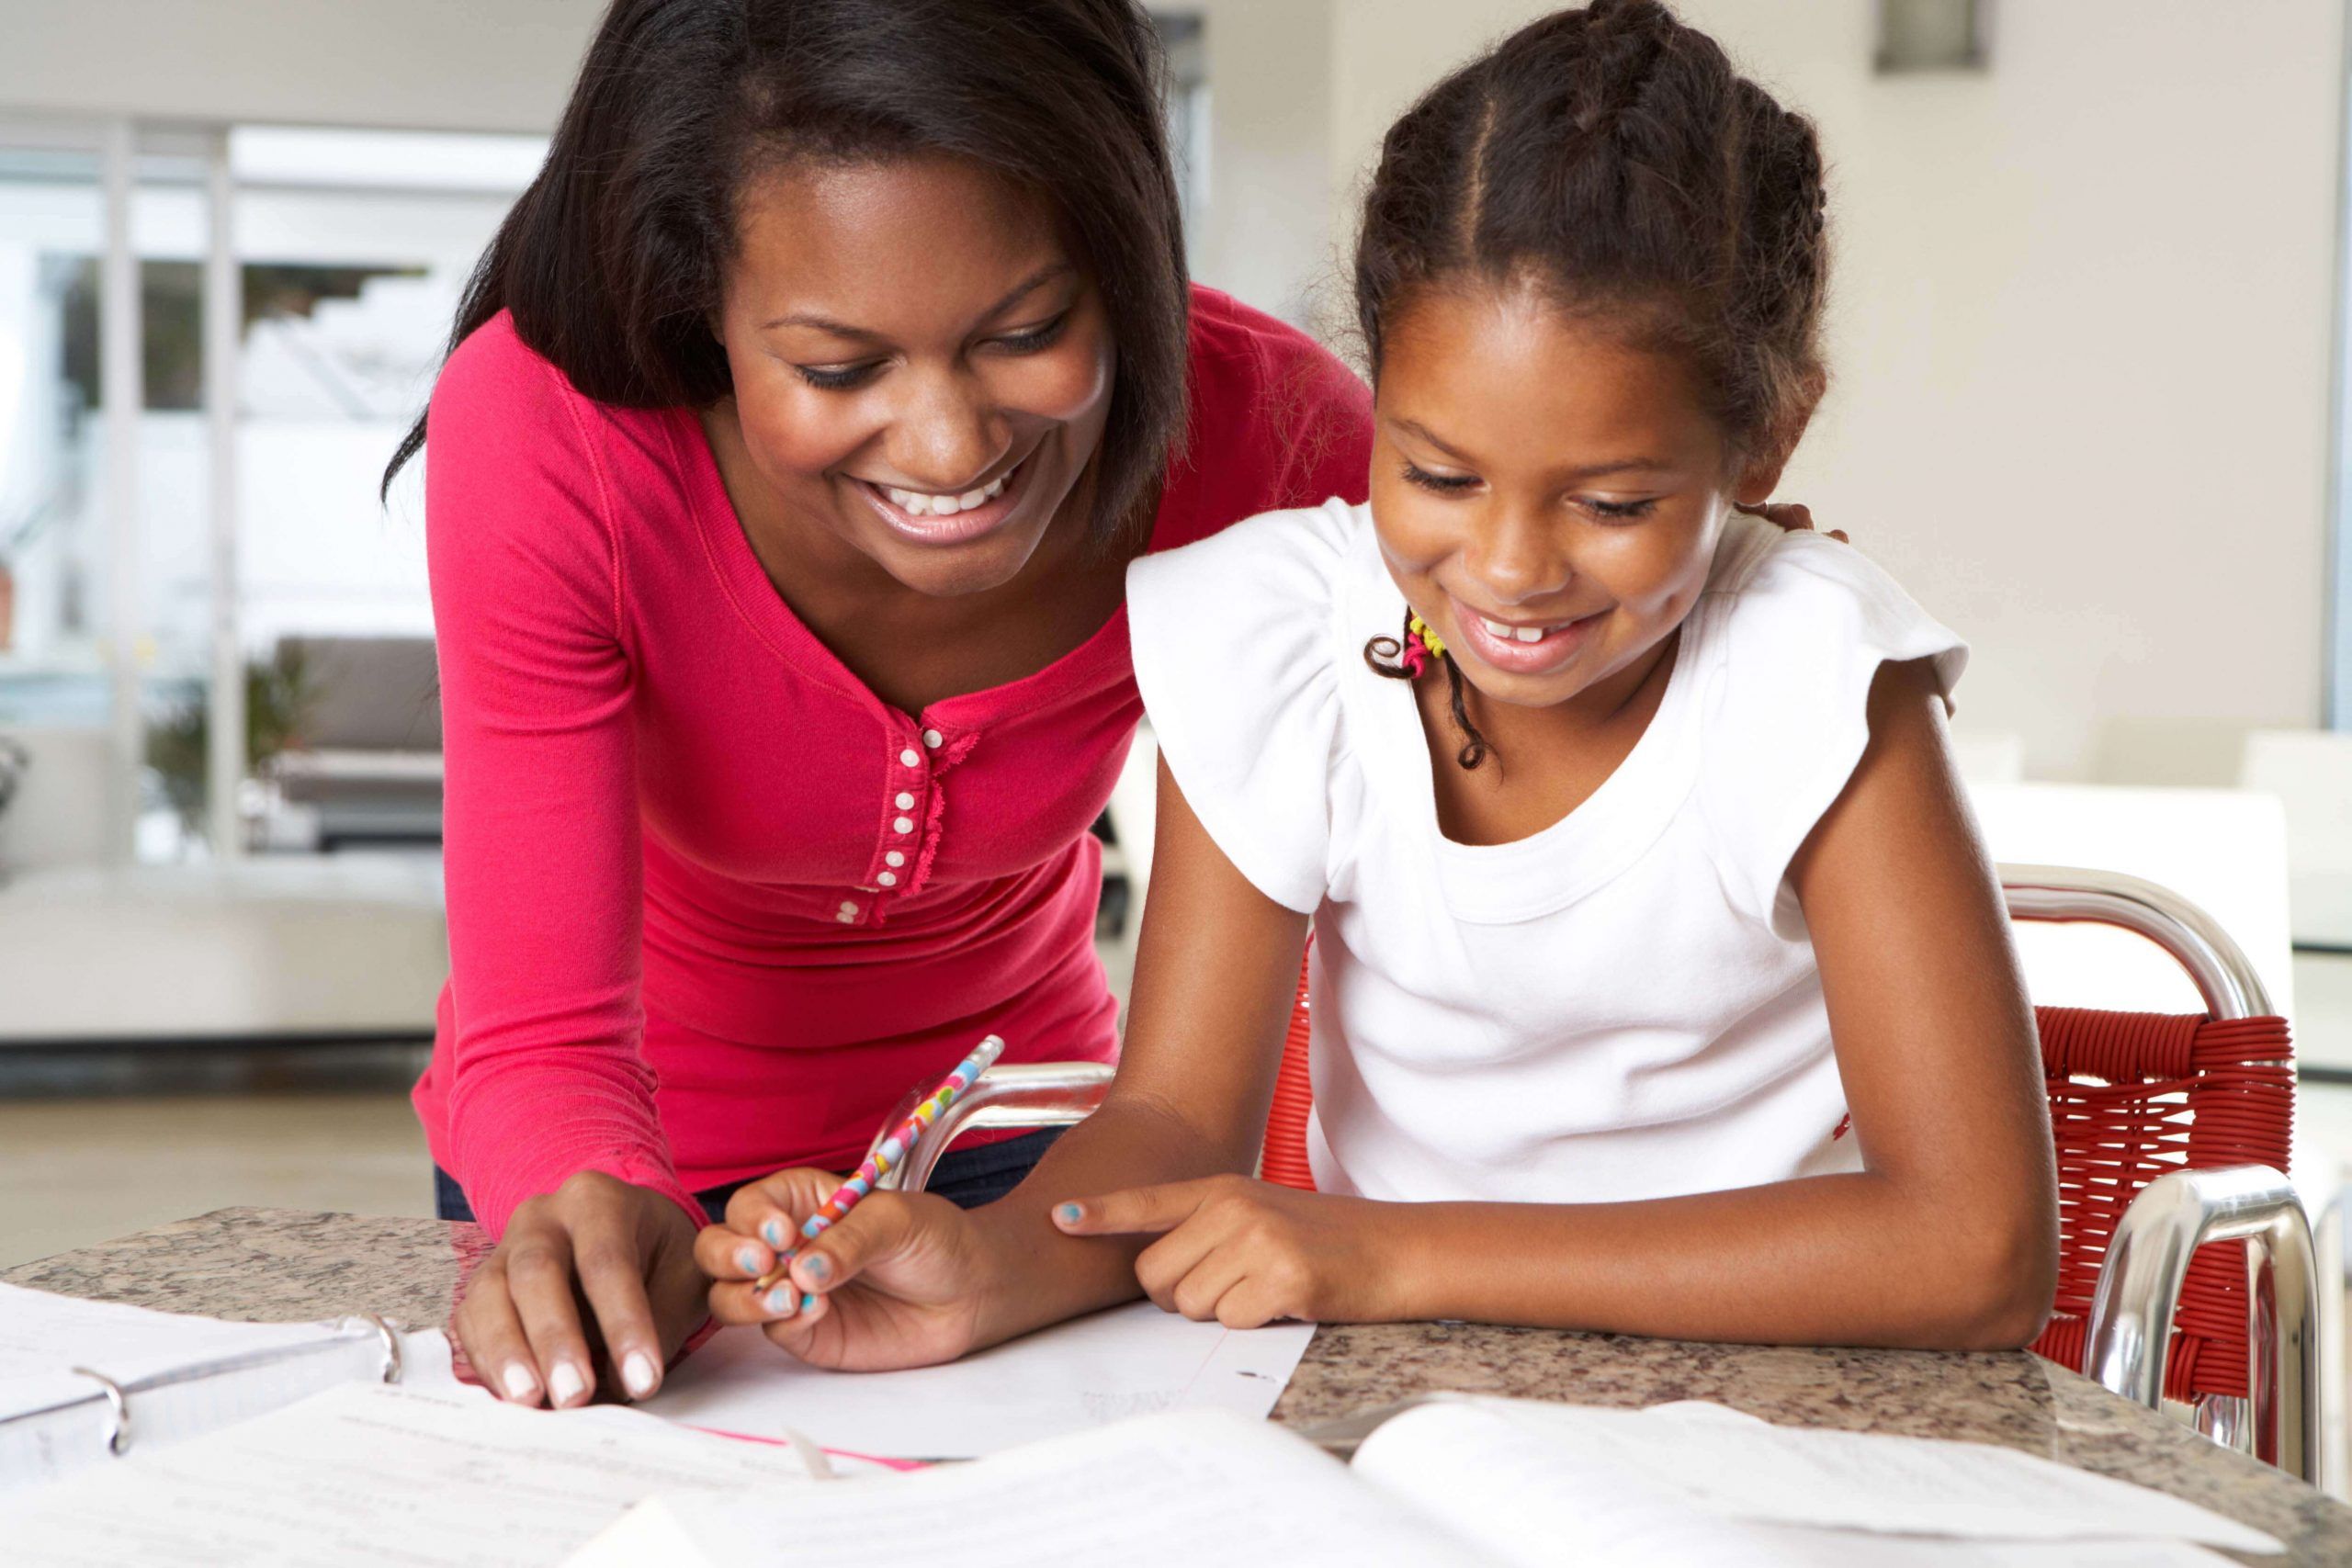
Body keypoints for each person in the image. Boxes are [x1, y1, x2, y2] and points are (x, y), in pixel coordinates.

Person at [697, 0, 2058, 1365]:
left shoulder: (1813, 678)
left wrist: (1393, 1253)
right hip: (1395, 1400)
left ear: (1766, 441)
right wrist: (982, 1271)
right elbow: (1173, 1122)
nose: (1510, 569)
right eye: (1439, 475)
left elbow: (1977, 1250)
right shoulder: (1291, 635)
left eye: (1612, 502)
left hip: (1768, 1396)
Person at [401, 0, 1377, 1410]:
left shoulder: (1271, 443)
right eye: (839, 368)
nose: (950, 445)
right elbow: (543, 1038)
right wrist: (586, 1193)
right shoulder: (552, 435)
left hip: (1033, 1155)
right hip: (610, 1164)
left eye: (1028, 330)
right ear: (698, 303)